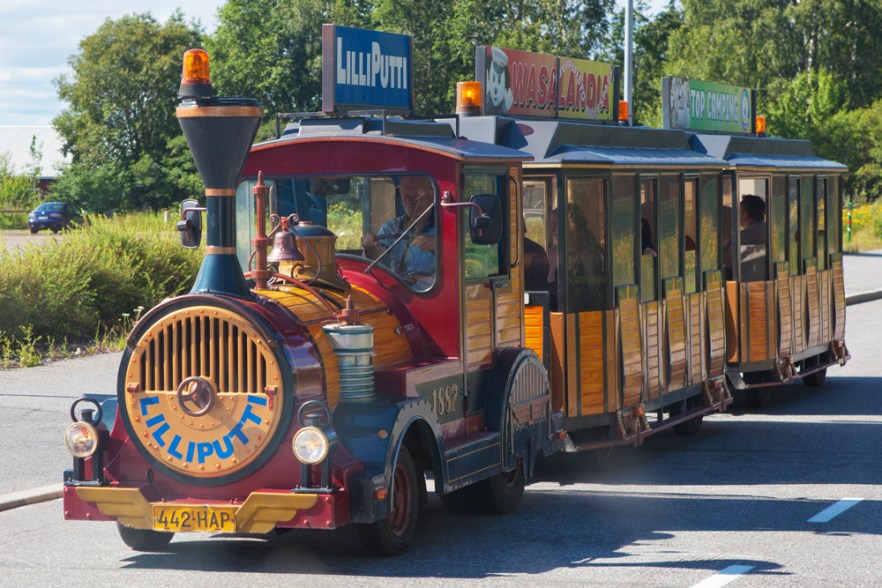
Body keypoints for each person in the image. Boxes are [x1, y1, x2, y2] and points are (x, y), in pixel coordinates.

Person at [362, 175, 436, 284]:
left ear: (432, 194)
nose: (411, 202)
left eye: (417, 197)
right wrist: (371, 251)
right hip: (398, 293)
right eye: (406, 197)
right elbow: (370, 271)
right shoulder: (391, 228)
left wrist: (439, 246)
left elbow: (460, 263)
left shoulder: (444, 227)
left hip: (431, 293)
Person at [739, 194, 767, 281]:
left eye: (738, 211)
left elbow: (728, 260)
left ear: (745, 215)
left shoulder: (746, 235)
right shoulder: (768, 229)